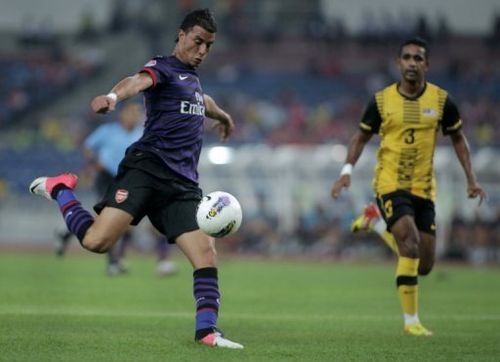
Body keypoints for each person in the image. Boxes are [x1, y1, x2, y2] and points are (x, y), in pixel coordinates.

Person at [29, 8, 242, 349]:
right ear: (182, 34)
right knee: (97, 243)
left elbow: (204, 101)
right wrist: (113, 97)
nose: (202, 51)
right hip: (147, 170)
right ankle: (60, 190)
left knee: (206, 253)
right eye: (198, 42)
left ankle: (207, 332)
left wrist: (224, 116)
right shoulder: (163, 68)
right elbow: (136, 81)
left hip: (182, 185)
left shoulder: (193, 80)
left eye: (209, 46)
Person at [331, 37, 486, 336]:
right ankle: (411, 321)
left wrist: (471, 178)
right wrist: (346, 171)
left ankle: (374, 223)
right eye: (407, 57)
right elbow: (360, 137)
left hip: (424, 189)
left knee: (424, 265)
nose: (412, 62)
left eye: (418, 58)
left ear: (426, 64)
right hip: (390, 184)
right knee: (410, 243)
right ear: (399, 63)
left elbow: (458, 138)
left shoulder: (442, 101)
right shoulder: (381, 101)